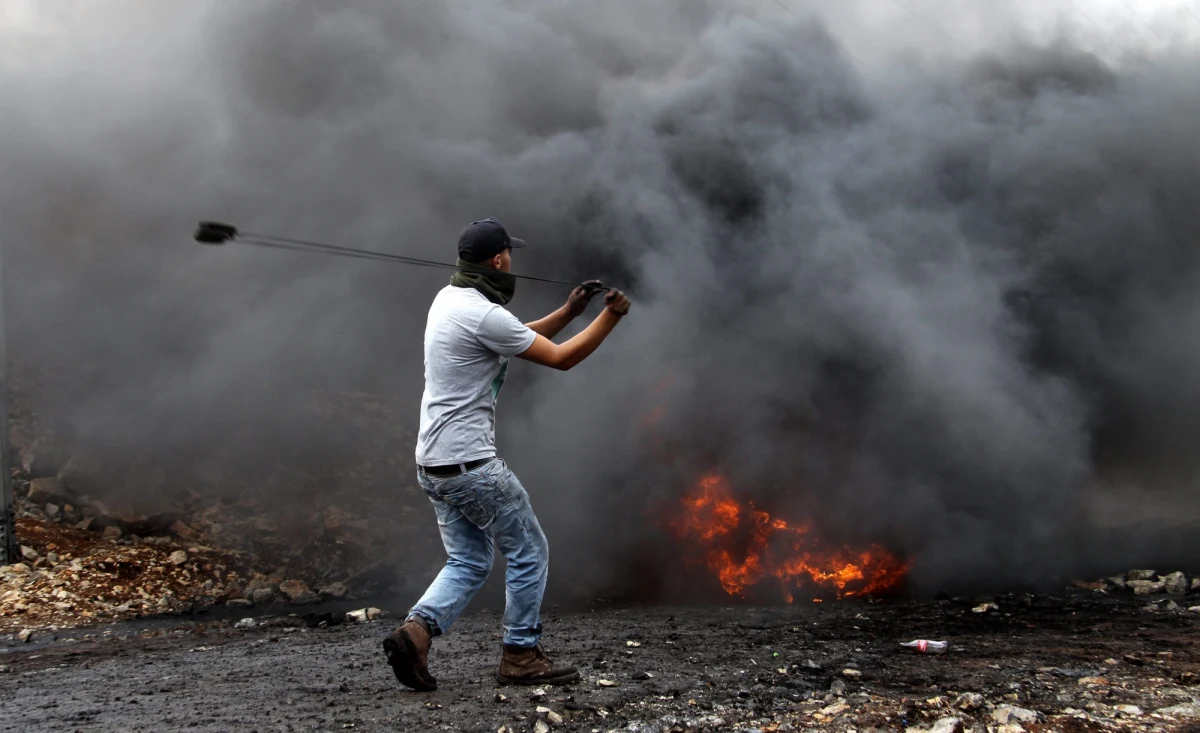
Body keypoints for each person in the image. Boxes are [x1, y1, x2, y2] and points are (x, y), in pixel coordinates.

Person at [383, 217, 631, 691]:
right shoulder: (481, 312)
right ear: (499, 260)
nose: (512, 260)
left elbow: (516, 338)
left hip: (432, 463)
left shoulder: (450, 299)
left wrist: (571, 311)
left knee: (469, 560)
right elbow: (560, 358)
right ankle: (520, 654)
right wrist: (611, 316)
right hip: (471, 466)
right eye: (509, 254)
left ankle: (415, 634)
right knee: (529, 550)